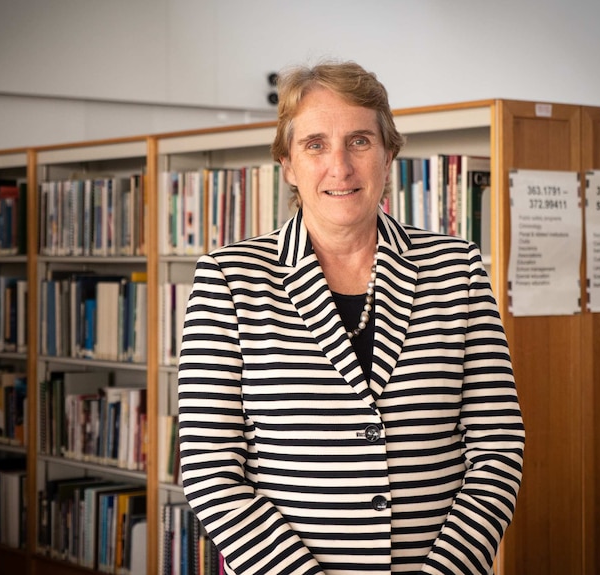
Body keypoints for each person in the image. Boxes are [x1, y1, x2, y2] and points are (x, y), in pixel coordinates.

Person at [177, 60, 524, 575]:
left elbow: (498, 447)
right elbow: (210, 470)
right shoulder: (230, 279)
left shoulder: (458, 270)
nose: (339, 166)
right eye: (315, 144)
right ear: (288, 164)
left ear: (389, 155)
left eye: (359, 141)